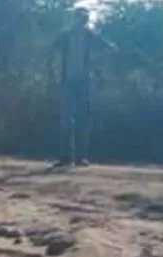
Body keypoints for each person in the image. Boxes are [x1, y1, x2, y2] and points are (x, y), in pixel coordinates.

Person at [53, 8, 115, 167]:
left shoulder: (90, 36)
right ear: (75, 18)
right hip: (67, 81)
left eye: (84, 18)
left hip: (83, 82)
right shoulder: (65, 36)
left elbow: (110, 48)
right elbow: (53, 53)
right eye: (80, 17)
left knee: (82, 119)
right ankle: (65, 157)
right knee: (66, 120)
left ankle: (80, 158)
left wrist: (97, 65)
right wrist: (55, 75)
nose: (82, 21)